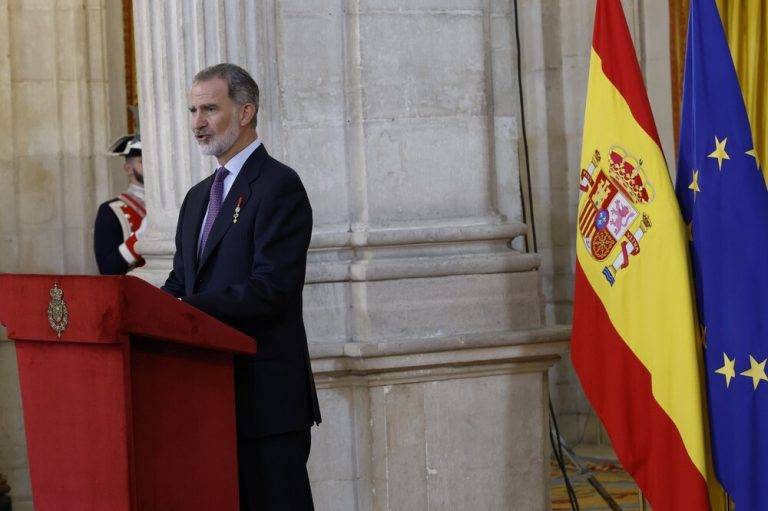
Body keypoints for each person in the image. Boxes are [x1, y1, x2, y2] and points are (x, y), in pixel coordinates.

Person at [161, 63, 321, 510]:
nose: (197, 122)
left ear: (246, 111)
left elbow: (271, 288)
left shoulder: (278, 186)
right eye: (193, 110)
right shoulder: (197, 197)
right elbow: (180, 281)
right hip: (207, 396)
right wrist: (141, 309)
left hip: (265, 403)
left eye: (210, 108)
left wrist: (185, 311)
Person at [94, 133, 146, 275]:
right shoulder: (110, 211)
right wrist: (140, 237)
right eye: (143, 161)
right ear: (128, 169)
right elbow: (108, 269)